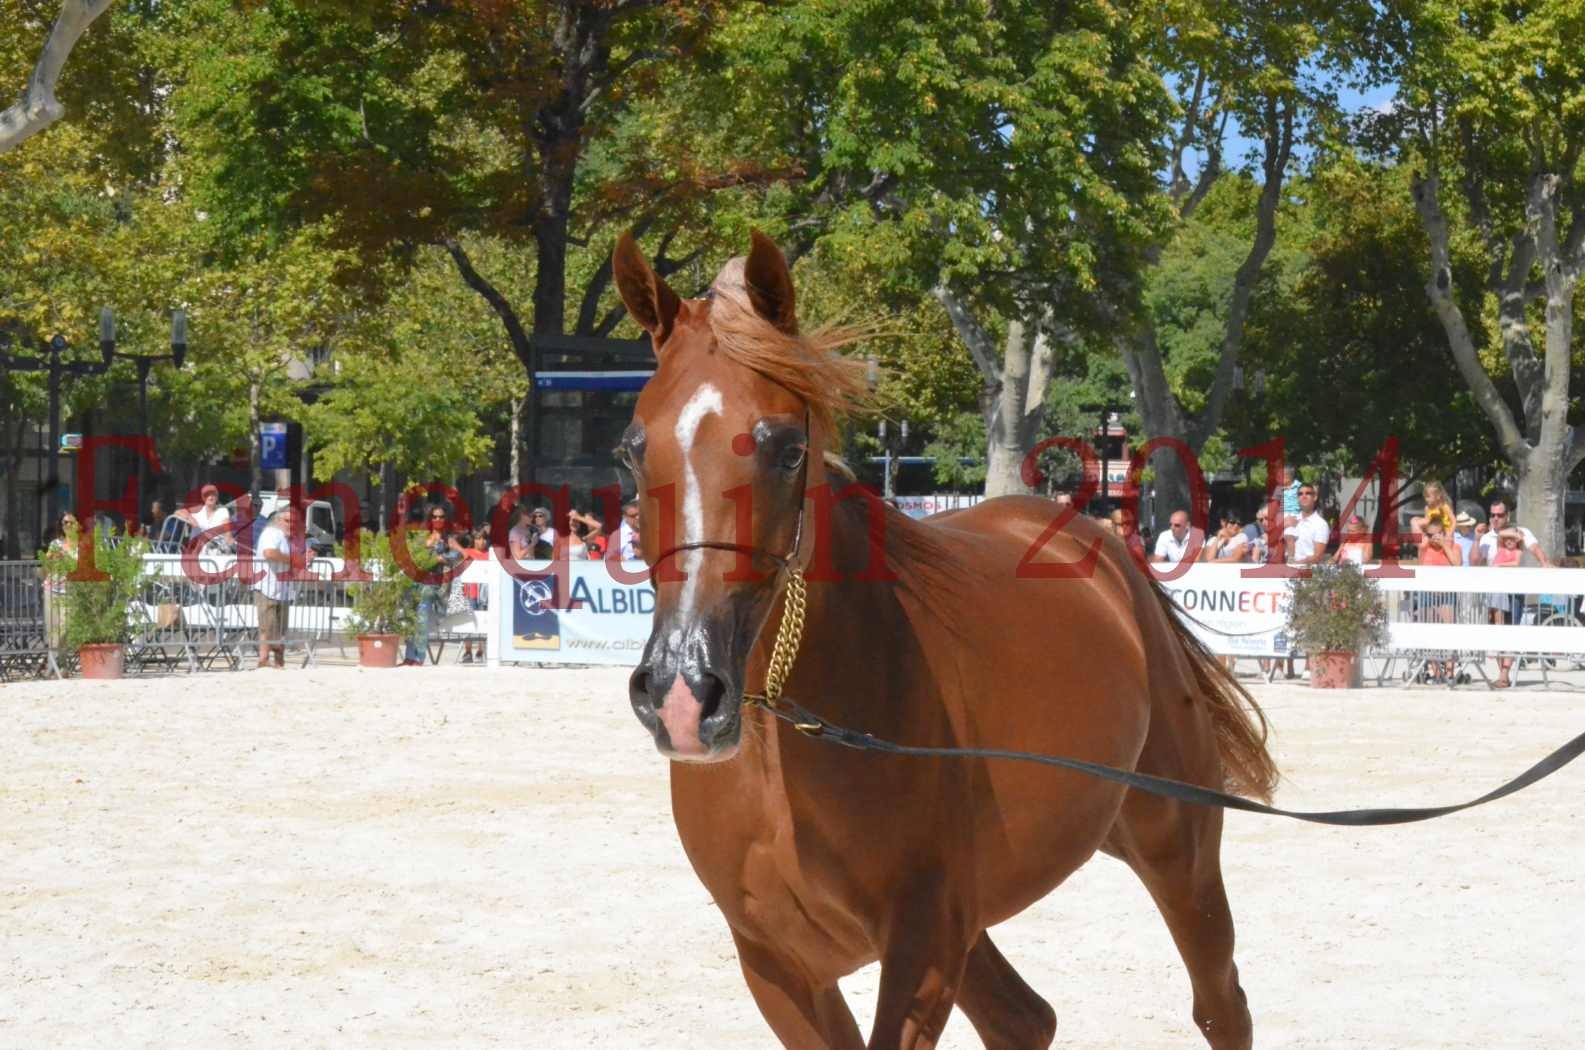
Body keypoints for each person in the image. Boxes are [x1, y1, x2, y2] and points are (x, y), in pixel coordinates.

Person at [405, 504, 467, 667]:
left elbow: (464, 555)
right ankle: (409, 656)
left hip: (431, 583)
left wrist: (447, 559)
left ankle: (419, 657)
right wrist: (436, 559)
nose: (438, 519)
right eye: (435, 516)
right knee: (410, 619)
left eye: (441, 517)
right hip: (415, 580)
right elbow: (416, 559)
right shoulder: (422, 536)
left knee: (422, 619)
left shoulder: (448, 539)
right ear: (430, 518)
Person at [253, 504, 298, 670]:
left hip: (282, 589)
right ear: (278, 520)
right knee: (267, 626)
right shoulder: (271, 533)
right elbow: (269, 553)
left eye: (294, 522)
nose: (290, 524)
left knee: (281, 628)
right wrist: (291, 560)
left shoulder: (285, 537)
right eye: (287, 520)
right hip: (267, 587)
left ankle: (279, 662)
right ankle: (263, 660)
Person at [41, 512, 81, 651]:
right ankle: (58, 666)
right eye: (65, 522)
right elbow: (45, 566)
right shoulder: (55, 544)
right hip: (52, 590)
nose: (69, 525)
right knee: (52, 629)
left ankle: (55, 664)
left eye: (72, 522)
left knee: (66, 627)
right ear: (61, 526)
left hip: (70, 592)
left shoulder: (81, 545)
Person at [459, 527, 490, 664]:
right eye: (478, 538)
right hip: (470, 592)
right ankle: (467, 651)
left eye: (484, 538)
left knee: (484, 622)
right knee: (469, 622)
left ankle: (480, 651)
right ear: (474, 540)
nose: (481, 542)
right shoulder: (467, 553)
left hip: (485, 594)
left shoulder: (490, 555)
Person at [178, 484, 234, 553]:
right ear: (203, 498)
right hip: (196, 551)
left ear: (217, 497)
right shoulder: (198, 509)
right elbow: (178, 512)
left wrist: (231, 547)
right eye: (207, 495)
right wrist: (190, 518)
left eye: (213, 494)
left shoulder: (222, 511)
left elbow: (228, 534)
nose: (210, 497)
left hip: (217, 551)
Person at [1286, 483, 1329, 565]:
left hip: (1307, 573)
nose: (1304, 496)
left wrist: (1294, 564)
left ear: (1315, 497)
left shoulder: (1321, 524)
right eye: (1300, 494)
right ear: (1297, 498)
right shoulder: (1290, 519)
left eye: (1308, 493)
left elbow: (1317, 557)